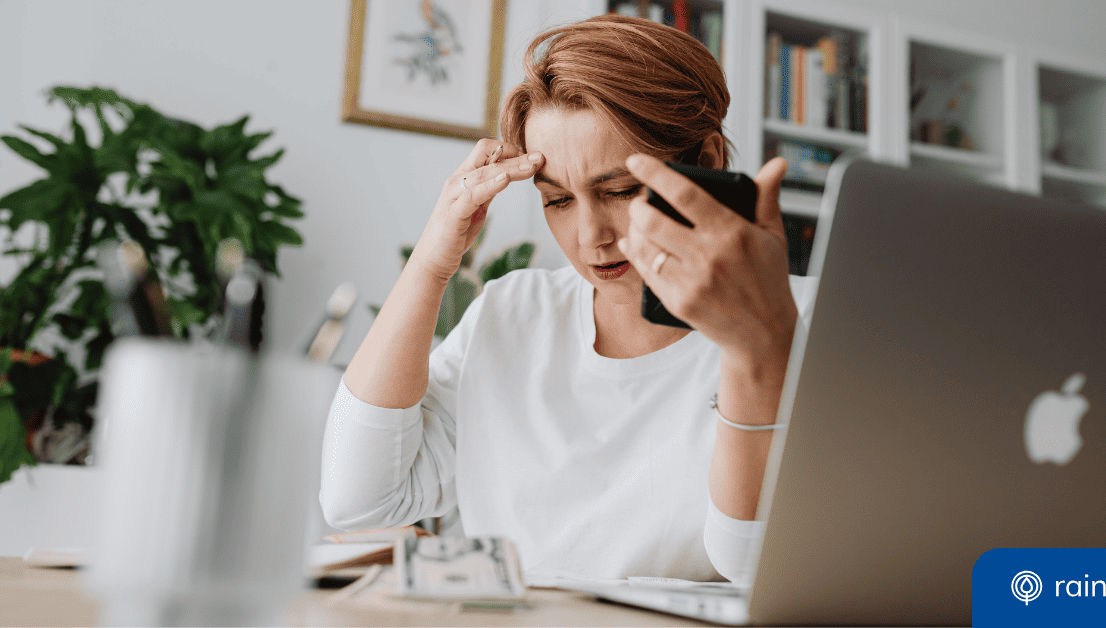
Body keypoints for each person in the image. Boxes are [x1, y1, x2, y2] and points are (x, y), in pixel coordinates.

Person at [320, 14, 811, 584]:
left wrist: (757, 349)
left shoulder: (799, 324)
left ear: (704, 163)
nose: (590, 238)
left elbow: (753, 565)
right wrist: (433, 261)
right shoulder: (513, 312)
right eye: (557, 201)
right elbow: (360, 502)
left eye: (621, 191)